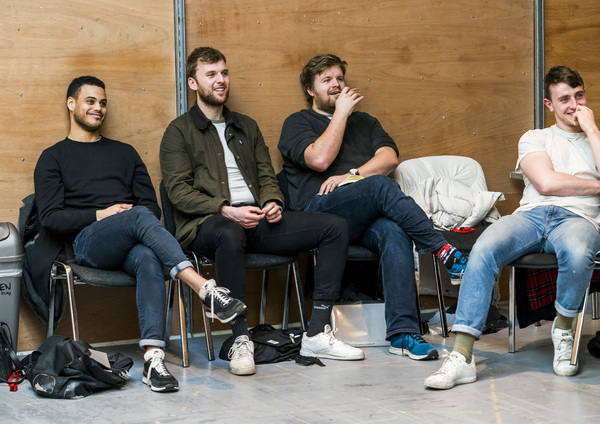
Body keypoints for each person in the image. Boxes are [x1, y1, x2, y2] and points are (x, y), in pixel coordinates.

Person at [34, 76, 247, 393]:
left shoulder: (124, 153)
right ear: (71, 103)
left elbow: (150, 205)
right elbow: (50, 217)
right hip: (88, 244)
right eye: (90, 101)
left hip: (133, 239)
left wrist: (129, 217)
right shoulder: (53, 157)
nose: (98, 108)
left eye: (103, 102)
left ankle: (153, 359)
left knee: (148, 255)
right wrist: (102, 214)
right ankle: (203, 289)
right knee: (139, 216)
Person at [160, 47, 364, 376]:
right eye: (211, 74)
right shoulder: (178, 132)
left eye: (224, 73)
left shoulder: (247, 127)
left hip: (256, 221)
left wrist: (273, 202)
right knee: (229, 232)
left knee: (335, 227)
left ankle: (316, 333)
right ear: (193, 83)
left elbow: (268, 176)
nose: (220, 80)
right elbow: (177, 191)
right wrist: (225, 209)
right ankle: (241, 338)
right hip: (209, 225)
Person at [278, 54, 468, 361]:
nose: (336, 85)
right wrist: (340, 114)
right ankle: (444, 251)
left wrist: (352, 176)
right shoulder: (297, 122)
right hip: (318, 213)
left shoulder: (366, 122)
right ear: (311, 90)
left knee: (394, 232)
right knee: (379, 185)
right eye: (326, 80)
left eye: (339, 78)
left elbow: (389, 159)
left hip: (362, 215)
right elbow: (319, 159)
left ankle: (402, 333)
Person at [424, 66, 600, 389]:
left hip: (579, 220)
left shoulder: (596, 139)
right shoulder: (536, 137)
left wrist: (592, 130)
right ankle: (462, 356)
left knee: (579, 251)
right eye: (564, 99)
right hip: (531, 216)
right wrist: (596, 186)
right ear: (549, 105)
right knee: (484, 249)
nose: (574, 105)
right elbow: (545, 183)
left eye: (579, 96)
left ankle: (562, 329)